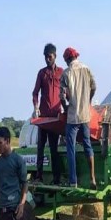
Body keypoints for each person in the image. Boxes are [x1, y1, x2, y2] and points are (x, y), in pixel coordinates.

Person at [60, 47, 97, 188]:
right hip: (85, 115)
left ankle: (73, 181)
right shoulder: (86, 69)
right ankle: (93, 178)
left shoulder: (66, 73)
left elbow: (62, 95)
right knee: (88, 145)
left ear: (67, 59)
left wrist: (66, 106)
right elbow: (94, 87)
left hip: (72, 117)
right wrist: (88, 101)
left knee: (71, 148)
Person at [31, 42, 64, 185]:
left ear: (55, 56)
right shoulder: (42, 73)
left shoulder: (61, 72)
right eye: (45, 57)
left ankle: (57, 177)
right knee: (40, 147)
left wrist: (65, 106)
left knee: (54, 148)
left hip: (55, 116)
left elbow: (66, 91)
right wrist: (36, 107)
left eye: (49, 56)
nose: (47, 59)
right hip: (43, 117)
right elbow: (35, 92)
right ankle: (39, 176)